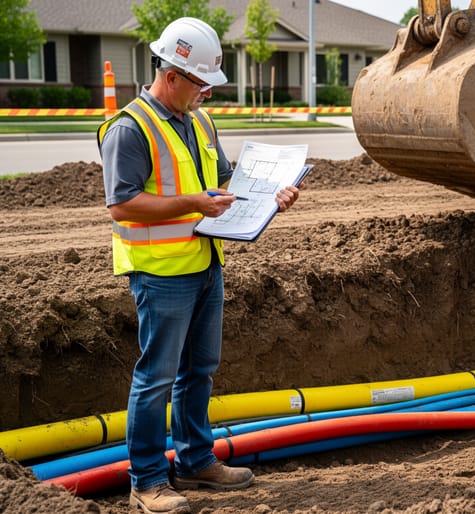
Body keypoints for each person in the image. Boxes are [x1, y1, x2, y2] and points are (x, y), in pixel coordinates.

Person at [98, 17, 301, 514]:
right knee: (156, 378)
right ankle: (146, 481)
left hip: (207, 263)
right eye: (201, 82)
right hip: (161, 272)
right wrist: (194, 203)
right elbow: (122, 204)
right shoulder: (129, 129)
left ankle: (194, 460)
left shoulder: (200, 121)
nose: (207, 92)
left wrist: (274, 194)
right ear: (172, 75)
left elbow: (229, 180)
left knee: (199, 371)